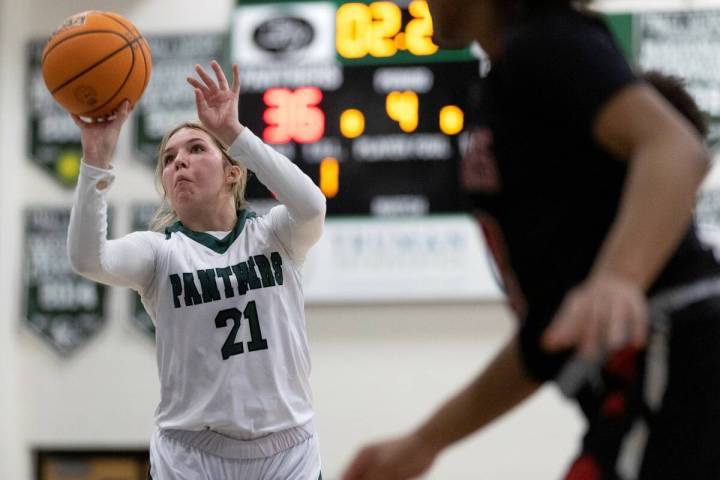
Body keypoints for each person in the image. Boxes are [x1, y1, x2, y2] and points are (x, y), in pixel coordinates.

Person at [342, 1, 720, 479]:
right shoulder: (502, 90)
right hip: (635, 387)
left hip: (681, 354)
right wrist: (425, 441)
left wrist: (618, 278)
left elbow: (676, 147)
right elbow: (545, 340)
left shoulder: (547, 40)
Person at [67, 61, 326, 480]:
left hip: (287, 450)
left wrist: (233, 134)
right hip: (191, 453)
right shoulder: (159, 253)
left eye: (196, 149)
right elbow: (86, 259)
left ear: (233, 171)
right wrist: (96, 159)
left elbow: (313, 205)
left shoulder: (276, 234)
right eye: (169, 159)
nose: (179, 162)